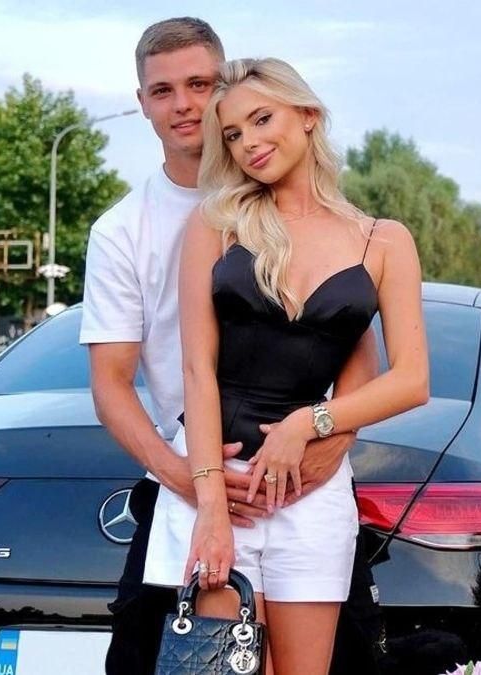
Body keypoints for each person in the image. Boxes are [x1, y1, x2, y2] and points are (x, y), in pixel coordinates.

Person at [79, 18, 383, 674]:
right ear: (143, 103)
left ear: (227, 87)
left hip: (299, 484)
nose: (184, 104)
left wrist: (332, 441)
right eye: (163, 91)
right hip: (191, 482)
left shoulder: (312, 215)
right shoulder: (121, 231)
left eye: (200, 84)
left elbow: (354, 347)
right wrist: (186, 476)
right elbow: (111, 382)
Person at [141, 57, 429, 674]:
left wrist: (311, 423)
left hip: (309, 494)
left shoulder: (383, 241)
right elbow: (197, 371)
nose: (248, 143)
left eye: (261, 119)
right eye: (232, 134)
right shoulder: (216, 224)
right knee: (219, 670)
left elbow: (411, 380)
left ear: (308, 116)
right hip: (223, 485)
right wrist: (210, 507)